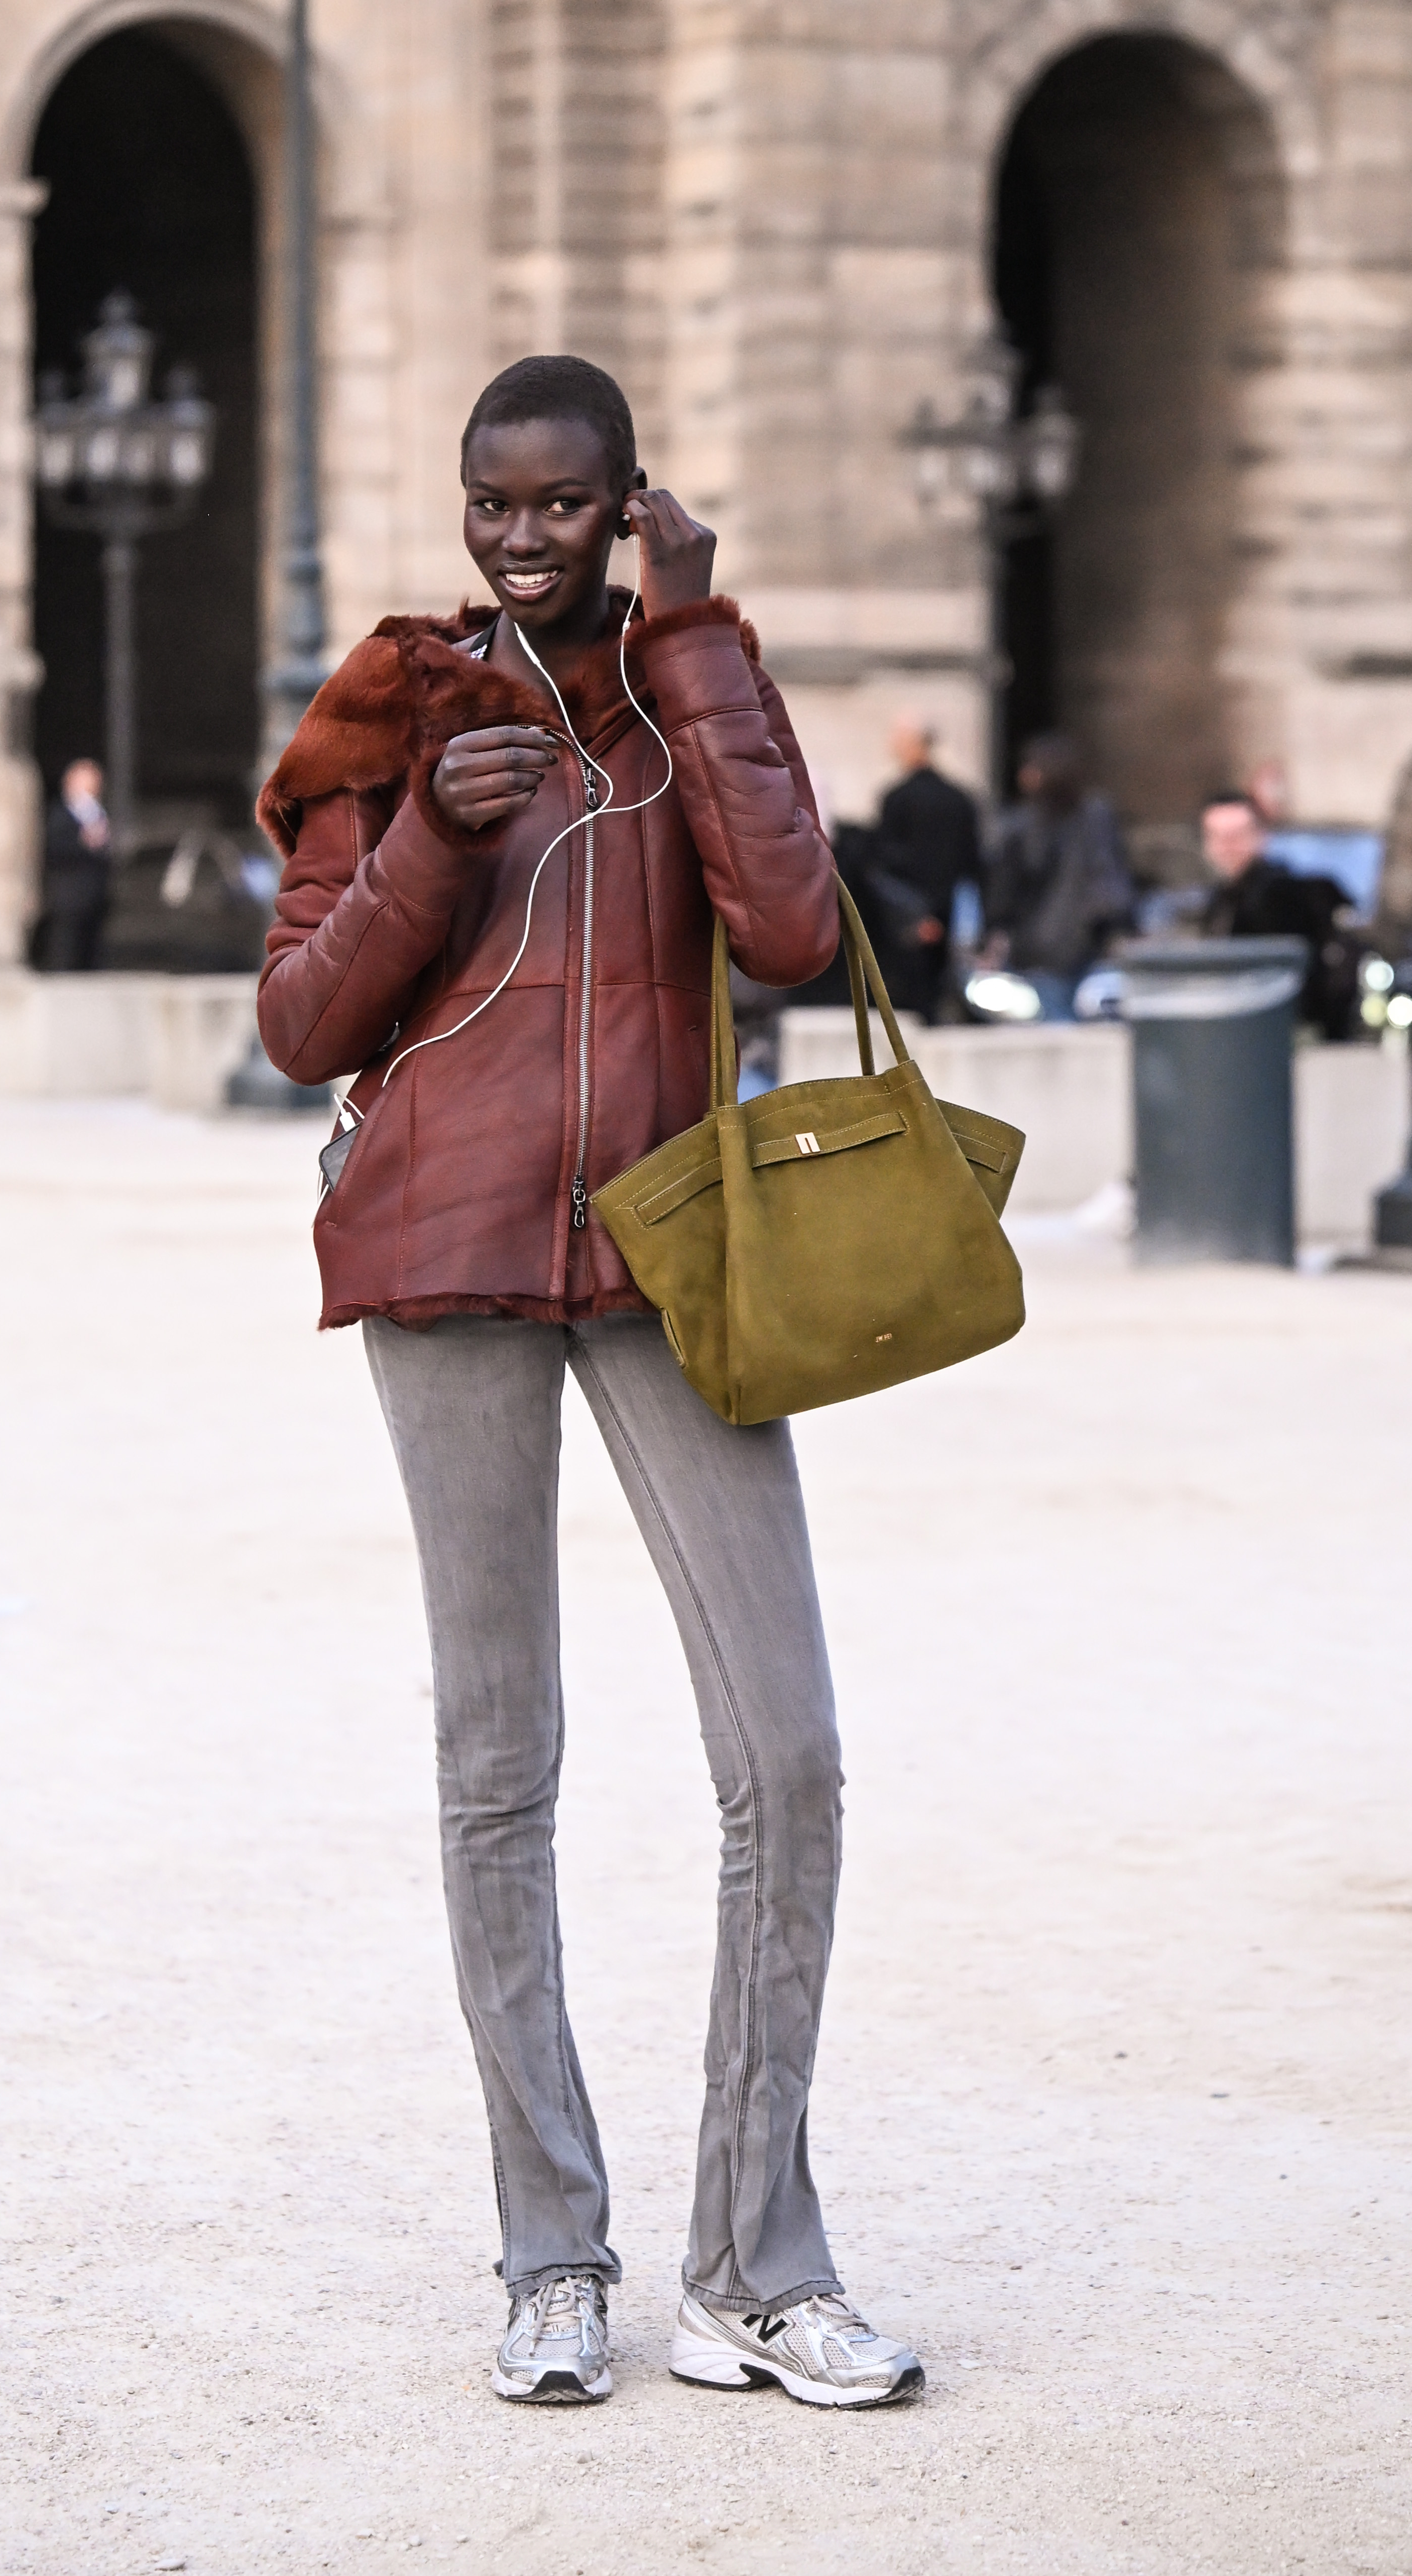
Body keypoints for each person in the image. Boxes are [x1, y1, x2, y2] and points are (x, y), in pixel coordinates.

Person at [255, 356, 924, 2413]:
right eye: (492, 502)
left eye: (561, 503)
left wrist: (705, 640)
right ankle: (553, 2251)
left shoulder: (678, 687)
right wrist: (426, 859)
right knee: (496, 1765)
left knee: (789, 1751)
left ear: (625, 503)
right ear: (463, 507)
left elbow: (795, 930)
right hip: (445, 1255)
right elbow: (299, 1022)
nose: (522, 534)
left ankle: (754, 2260)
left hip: (668, 1253)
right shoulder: (395, 710)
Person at [981, 732, 1135, 1018]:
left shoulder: (1023, 826)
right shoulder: (1096, 815)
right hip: (1087, 943)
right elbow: (1111, 881)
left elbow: (1004, 893)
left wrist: (995, 936)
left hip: (1040, 950)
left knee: (1051, 1025)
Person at [1199, 789, 1361, 1041]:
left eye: (1237, 836)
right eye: (1218, 837)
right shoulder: (1221, 900)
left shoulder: (1280, 894)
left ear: (1261, 835)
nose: (1227, 847)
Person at [862, 716, 982, 1021]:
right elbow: (972, 864)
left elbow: (884, 865)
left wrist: (917, 916)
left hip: (906, 922)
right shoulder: (961, 800)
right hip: (947, 918)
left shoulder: (897, 799)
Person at [37, 758, 112, 971]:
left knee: (90, 951)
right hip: (68, 895)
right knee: (65, 949)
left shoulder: (98, 813)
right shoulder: (60, 814)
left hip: (94, 893)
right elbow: (54, 848)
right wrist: (84, 842)